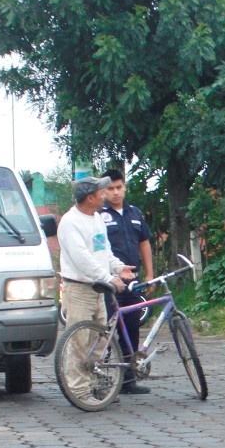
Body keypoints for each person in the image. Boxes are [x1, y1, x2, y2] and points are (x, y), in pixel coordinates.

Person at [57, 175, 135, 405]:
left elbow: (104, 252)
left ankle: (97, 385)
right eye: (102, 192)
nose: (106, 195)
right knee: (79, 341)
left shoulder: (97, 218)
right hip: (79, 289)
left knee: (100, 340)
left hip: (99, 290)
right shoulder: (70, 222)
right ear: (90, 197)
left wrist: (119, 267)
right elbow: (82, 259)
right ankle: (79, 391)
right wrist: (108, 277)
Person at [99, 168, 155, 395]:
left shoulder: (134, 213)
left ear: (125, 187)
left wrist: (150, 275)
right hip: (109, 282)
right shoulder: (98, 215)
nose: (115, 193)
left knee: (132, 327)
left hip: (133, 281)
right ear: (103, 191)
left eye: (119, 187)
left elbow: (144, 243)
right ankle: (102, 378)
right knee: (107, 329)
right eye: (110, 189)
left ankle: (128, 380)